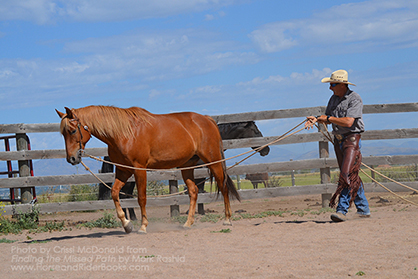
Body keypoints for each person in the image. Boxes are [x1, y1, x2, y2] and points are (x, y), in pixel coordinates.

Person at [305, 69, 370, 222]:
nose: (330, 87)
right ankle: (363, 208)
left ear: (342, 85)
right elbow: (328, 118)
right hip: (339, 140)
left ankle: (341, 210)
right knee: (350, 174)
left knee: (346, 174)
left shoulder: (355, 99)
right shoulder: (333, 99)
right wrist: (315, 119)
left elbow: (348, 122)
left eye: (333, 84)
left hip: (351, 139)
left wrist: (327, 118)